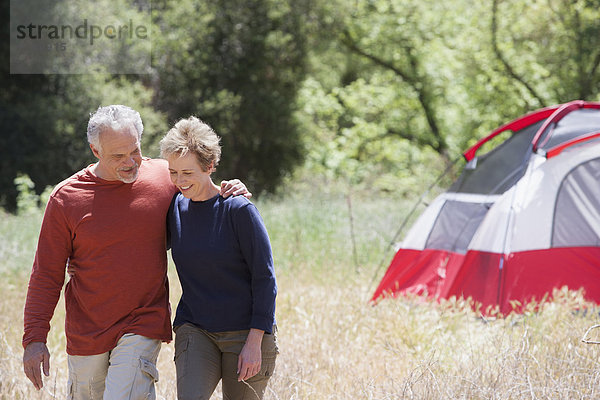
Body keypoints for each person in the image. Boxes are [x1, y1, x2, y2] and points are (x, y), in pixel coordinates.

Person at [22, 105, 249, 400]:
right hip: (87, 331)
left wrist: (230, 189)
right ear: (95, 150)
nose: (131, 162)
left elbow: (199, 189)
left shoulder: (162, 178)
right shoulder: (66, 199)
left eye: (135, 151)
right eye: (118, 156)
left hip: (142, 321)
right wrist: (35, 339)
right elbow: (47, 275)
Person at [160, 116, 278, 400]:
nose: (179, 181)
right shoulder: (175, 207)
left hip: (246, 332)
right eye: (173, 172)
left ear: (210, 166)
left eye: (187, 173)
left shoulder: (238, 210)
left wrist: (254, 343)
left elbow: (265, 279)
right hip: (195, 328)